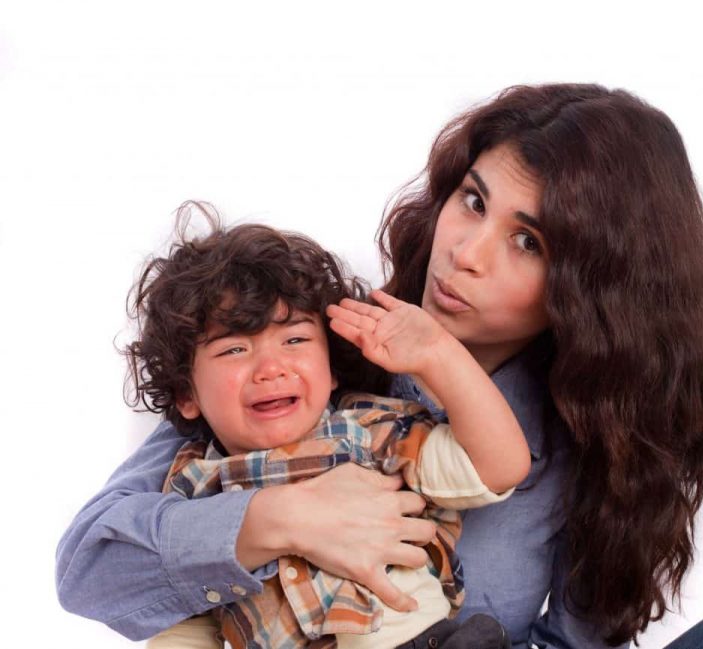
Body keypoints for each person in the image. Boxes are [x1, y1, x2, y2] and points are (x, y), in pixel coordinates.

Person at [56, 84, 703, 649]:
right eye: (473, 201)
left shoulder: (590, 438)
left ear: (593, 290)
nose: (466, 252)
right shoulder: (304, 351)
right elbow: (89, 566)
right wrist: (280, 518)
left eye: (528, 241)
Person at [123, 207, 530, 649]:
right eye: (234, 349)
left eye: (295, 340)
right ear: (186, 393)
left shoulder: (370, 431)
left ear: (332, 367)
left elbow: (499, 466)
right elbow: (183, 618)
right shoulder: (193, 492)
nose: (271, 368)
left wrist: (439, 354)